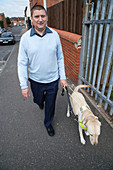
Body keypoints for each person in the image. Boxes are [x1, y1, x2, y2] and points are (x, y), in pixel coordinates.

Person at [18, 5, 68, 137]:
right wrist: (24, 85)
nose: (40, 19)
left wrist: (62, 77)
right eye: (37, 16)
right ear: (32, 19)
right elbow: (22, 63)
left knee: (51, 104)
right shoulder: (26, 38)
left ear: (46, 17)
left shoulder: (54, 35)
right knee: (38, 100)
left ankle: (48, 123)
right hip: (36, 81)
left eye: (42, 16)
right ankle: (40, 101)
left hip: (53, 80)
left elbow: (60, 57)